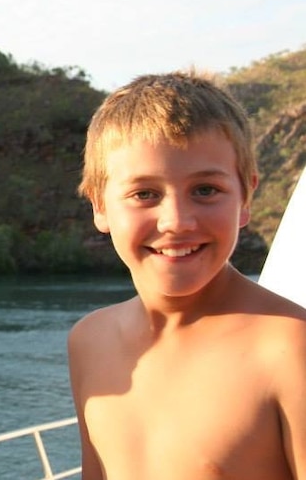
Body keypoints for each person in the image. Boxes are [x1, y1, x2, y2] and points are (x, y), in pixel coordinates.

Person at [67, 71, 306, 480]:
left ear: (245, 198)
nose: (177, 221)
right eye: (145, 194)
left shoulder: (288, 348)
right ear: (99, 205)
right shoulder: (90, 341)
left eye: (205, 190)